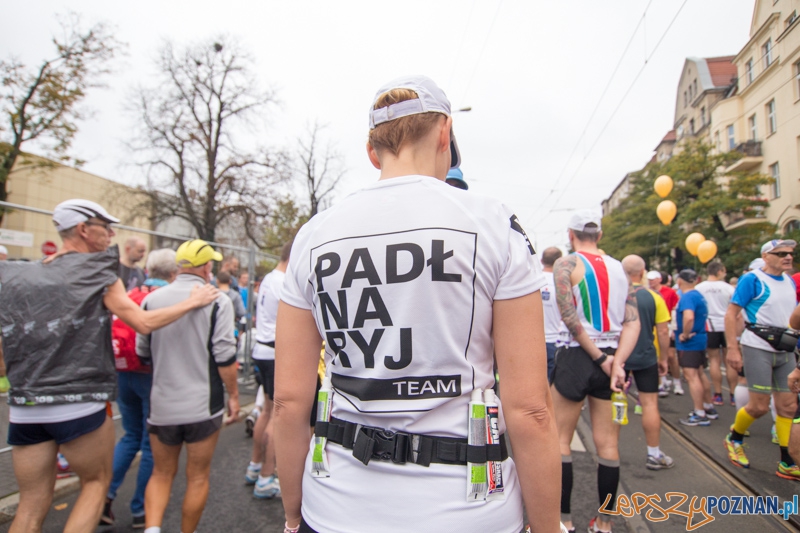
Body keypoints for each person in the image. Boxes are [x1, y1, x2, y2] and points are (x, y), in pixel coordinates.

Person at [274, 75, 560, 533]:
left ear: (373, 153)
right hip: (467, 511)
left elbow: (289, 403)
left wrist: (293, 516)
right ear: (445, 133)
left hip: (335, 506)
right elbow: (531, 410)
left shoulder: (314, 235)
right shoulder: (492, 223)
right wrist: (547, 527)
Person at [0, 199, 217, 533]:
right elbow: (143, 323)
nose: (111, 235)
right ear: (84, 230)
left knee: (29, 508)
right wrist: (192, 302)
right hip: (78, 402)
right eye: (105, 227)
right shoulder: (99, 271)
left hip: (25, 406)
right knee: (94, 484)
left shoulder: (20, 275)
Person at [137, 239, 239, 533]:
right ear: (206, 267)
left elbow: (142, 352)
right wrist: (233, 395)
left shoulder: (151, 300)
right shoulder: (218, 300)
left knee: (160, 473)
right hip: (202, 404)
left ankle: (152, 528)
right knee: (197, 477)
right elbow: (224, 356)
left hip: (162, 403)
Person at [552, 211, 639, 533]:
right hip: (613, 359)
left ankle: (564, 521)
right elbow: (632, 321)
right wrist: (616, 362)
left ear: (571, 234)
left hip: (577, 356)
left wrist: (599, 357)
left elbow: (569, 316)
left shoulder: (566, 264)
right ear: (599, 236)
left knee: (559, 441)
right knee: (609, 446)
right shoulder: (620, 269)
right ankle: (604, 524)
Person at [102, 249, 179, 529]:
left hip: (123, 372)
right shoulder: (166, 298)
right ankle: (140, 509)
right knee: (151, 445)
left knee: (130, 436)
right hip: (151, 376)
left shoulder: (130, 293)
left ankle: (103, 497)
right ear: (174, 273)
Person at [724, 239, 799, 481]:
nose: (788, 257)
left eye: (790, 253)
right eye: (781, 253)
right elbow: (731, 313)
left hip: (785, 349)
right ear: (766, 257)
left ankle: (787, 461)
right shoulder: (752, 279)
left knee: (788, 406)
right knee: (759, 406)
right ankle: (734, 438)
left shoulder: (789, 280)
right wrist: (732, 348)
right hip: (758, 346)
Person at [245, 240, 293, 499]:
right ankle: (265, 477)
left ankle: (255, 466)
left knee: (265, 411)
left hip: (262, 351)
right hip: (274, 353)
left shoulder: (268, 279)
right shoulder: (284, 282)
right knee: (277, 416)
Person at [616, 255, 673, 470]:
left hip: (620, 357)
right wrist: (664, 358)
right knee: (649, 404)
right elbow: (663, 331)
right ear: (642, 272)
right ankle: (654, 453)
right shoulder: (654, 296)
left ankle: (610, 450)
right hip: (646, 356)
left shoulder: (616, 294)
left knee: (616, 402)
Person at [674, 269, 717, 426]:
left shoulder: (688, 297)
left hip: (690, 342)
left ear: (679, 281)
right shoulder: (698, 295)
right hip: (700, 338)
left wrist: (685, 334)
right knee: (699, 373)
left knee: (691, 376)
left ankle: (699, 413)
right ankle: (708, 406)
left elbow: (689, 316)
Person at [695, 260, 737, 406]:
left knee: (714, 360)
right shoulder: (728, 288)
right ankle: (733, 394)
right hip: (727, 326)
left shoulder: (699, 288)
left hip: (710, 326)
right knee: (729, 360)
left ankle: (718, 394)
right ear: (719, 271)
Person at [648, 270, 683, 397]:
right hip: (652, 327)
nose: (651, 281)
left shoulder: (670, 292)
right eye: (649, 279)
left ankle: (677, 383)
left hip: (667, 325)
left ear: (659, 279)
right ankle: (661, 383)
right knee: (654, 355)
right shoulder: (646, 292)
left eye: (653, 279)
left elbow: (675, 309)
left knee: (671, 356)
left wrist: (674, 328)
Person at [541, 246, 565, 381]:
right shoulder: (562, 284)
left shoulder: (532, 281)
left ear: (541, 261)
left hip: (532, 341)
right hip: (555, 340)